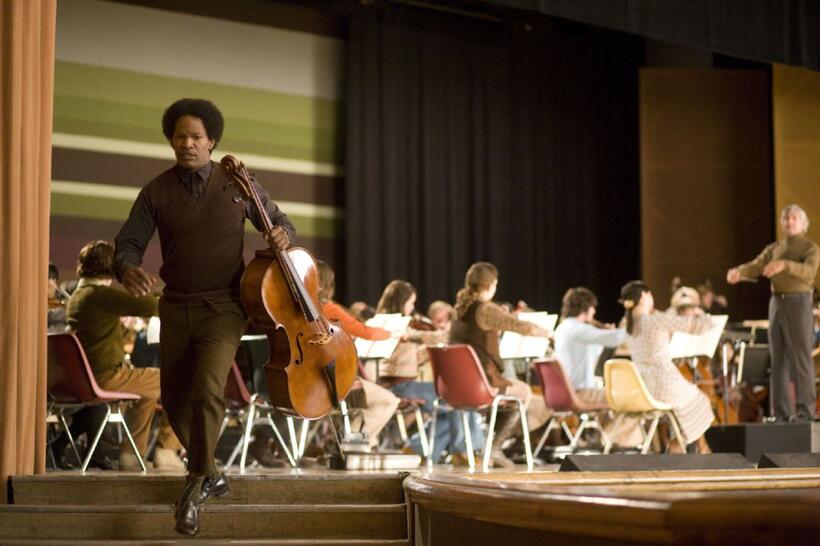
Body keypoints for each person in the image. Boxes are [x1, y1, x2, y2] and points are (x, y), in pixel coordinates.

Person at [113, 98, 295, 536]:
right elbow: (128, 244)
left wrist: (280, 234)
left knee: (209, 389)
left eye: (196, 137)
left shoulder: (238, 183)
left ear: (212, 141)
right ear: (171, 141)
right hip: (175, 305)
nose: (187, 143)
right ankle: (210, 473)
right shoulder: (155, 190)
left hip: (225, 306)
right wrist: (127, 267)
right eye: (180, 136)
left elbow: (281, 223)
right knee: (175, 401)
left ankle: (194, 487)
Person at [65, 241, 184, 471]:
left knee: (147, 394)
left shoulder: (78, 295)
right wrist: (138, 286)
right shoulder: (99, 294)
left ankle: (130, 456)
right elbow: (151, 306)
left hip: (89, 377)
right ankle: (167, 451)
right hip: (107, 375)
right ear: (112, 268)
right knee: (180, 382)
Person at [449, 262, 551, 468]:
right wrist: (547, 333)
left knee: (511, 391)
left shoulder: (458, 310)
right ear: (492, 284)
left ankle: (488, 447)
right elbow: (519, 326)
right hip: (480, 383)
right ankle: (493, 448)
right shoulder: (485, 309)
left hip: (456, 385)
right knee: (523, 392)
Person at [727, 204, 819, 422]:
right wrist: (738, 272)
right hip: (777, 302)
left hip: (799, 302)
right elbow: (757, 265)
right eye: (786, 218)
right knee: (778, 360)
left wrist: (784, 265)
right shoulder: (775, 248)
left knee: (801, 359)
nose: (789, 222)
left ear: (804, 224)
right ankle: (781, 413)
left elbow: (809, 272)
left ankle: (805, 413)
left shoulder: (810, 247)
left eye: (794, 218)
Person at [377, 280, 483, 465]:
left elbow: (405, 359)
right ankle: (463, 450)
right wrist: (446, 333)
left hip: (396, 384)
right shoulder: (401, 326)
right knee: (457, 397)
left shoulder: (382, 322)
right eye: (411, 303)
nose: (413, 307)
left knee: (446, 412)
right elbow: (438, 337)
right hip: (402, 387)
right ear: (401, 303)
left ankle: (417, 449)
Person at [619, 281, 714, 453]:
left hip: (642, 386)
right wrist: (703, 315)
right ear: (644, 297)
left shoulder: (627, 324)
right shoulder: (654, 321)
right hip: (663, 382)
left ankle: (686, 444)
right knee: (701, 400)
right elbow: (698, 327)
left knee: (684, 406)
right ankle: (681, 444)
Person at [317, 261, 400, 451]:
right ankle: (350, 443)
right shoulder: (328, 308)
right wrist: (391, 334)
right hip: (334, 384)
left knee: (365, 405)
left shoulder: (297, 310)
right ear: (327, 285)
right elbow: (366, 332)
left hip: (310, 381)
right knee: (388, 399)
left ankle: (348, 441)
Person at [554, 287, 626, 404]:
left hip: (567, 390)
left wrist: (604, 333)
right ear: (585, 307)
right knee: (625, 399)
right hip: (582, 392)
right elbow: (615, 339)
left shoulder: (563, 327)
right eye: (592, 307)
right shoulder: (579, 329)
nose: (594, 311)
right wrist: (633, 326)